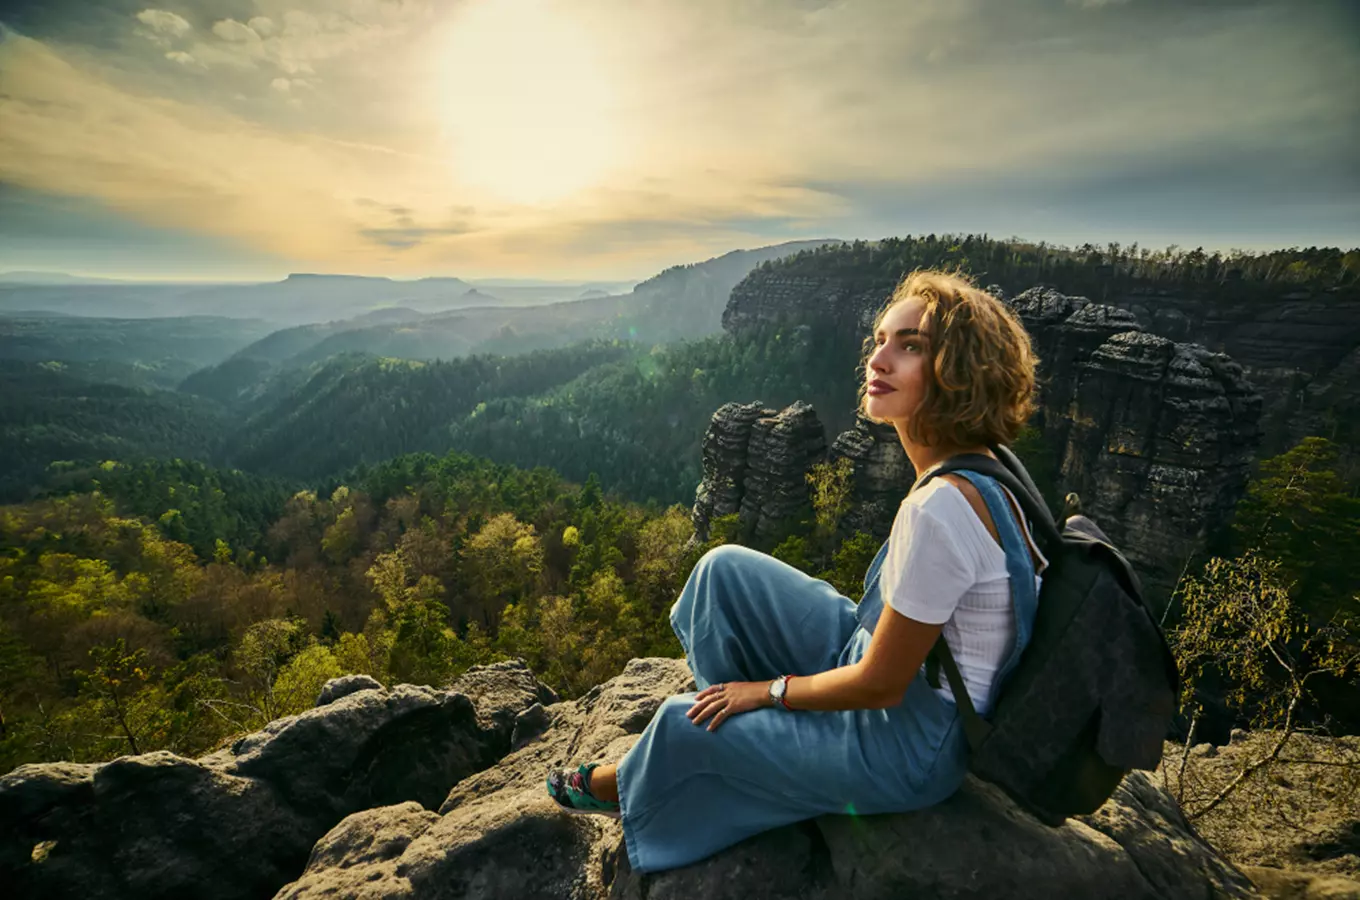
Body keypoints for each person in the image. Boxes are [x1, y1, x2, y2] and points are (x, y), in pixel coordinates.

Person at [546, 269, 1046, 873]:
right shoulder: (989, 468)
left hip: (907, 744)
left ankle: (645, 776)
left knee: (681, 726)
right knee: (720, 572)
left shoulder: (942, 507)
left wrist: (768, 692)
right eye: (882, 338)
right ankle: (752, 752)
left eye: (911, 346)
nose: (879, 358)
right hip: (895, 680)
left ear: (958, 372)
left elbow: (880, 686)